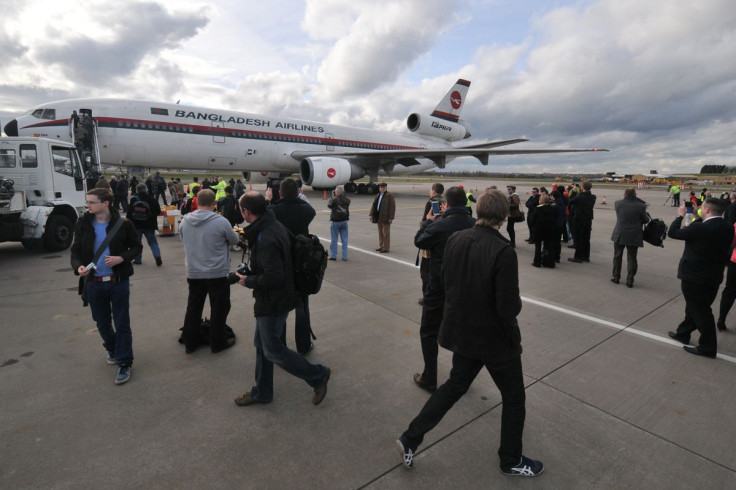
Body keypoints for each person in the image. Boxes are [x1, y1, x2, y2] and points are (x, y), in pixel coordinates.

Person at [396, 190, 543, 477]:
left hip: (464, 332)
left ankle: (410, 438)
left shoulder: (456, 239)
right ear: (503, 217)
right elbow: (508, 307)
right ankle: (511, 459)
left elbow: (447, 282)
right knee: (514, 398)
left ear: (478, 212)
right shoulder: (503, 251)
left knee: (453, 387)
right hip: (496, 340)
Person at [233, 191, 331, 407]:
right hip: (277, 297)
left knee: (273, 349)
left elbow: (274, 277)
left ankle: (318, 375)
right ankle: (263, 391)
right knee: (261, 344)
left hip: (274, 301)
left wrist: (247, 281)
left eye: (241, 209)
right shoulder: (271, 224)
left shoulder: (266, 236)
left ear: (246, 212)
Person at [70, 188, 142, 385]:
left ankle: (125, 362)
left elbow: (137, 247)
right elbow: (75, 251)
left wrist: (122, 258)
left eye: (92, 202)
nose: (88, 206)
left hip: (118, 282)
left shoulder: (123, 224)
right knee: (101, 322)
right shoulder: (82, 224)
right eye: (87, 202)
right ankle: (112, 348)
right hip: (94, 283)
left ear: (106, 203)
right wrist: (79, 268)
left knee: (122, 323)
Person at [412, 187, 475, 393]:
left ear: (446, 204)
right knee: (462, 334)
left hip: (439, 288)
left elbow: (419, 241)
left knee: (428, 331)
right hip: (464, 290)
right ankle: (461, 378)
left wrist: (429, 221)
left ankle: (430, 377)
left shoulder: (441, 226)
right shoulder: (474, 225)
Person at [667, 198, 733, 358]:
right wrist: (696, 215)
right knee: (695, 307)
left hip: (694, 276)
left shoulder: (700, 228)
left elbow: (673, 233)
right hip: (714, 276)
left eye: (702, 208)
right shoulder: (728, 227)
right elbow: (703, 228)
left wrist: (680, 215)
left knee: (701, 311)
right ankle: (683, 332)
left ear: (707, 210)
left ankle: (708, 347)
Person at [179, 189, 240, 354]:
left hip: (194, 272)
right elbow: (235, 240)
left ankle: (190, 343)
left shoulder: (185, 221)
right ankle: (217, 342)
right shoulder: (221, 221)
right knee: (219, 308)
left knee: (193, 307)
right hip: (217, 273)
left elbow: (183, 238)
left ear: (197, 202)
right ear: (215, 204)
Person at [268, 178, 317, 355]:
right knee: (302, 305)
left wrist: (271, 199)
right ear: (298, 192)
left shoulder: (273, 210)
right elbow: (312, 212)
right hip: (300, 262)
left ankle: (280, 345)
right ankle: (304, 345)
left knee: (280, 307)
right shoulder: (306, 210)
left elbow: (265, 215)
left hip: (280, 263)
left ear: (280, 193)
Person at [610, 188, 649, 287]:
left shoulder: (617, 203)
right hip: (634, 234)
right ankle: (630, 280)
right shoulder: (640, 206)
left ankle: (616, 277)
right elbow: (645, 220)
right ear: (635, 194)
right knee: (632, 258)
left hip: (620, 233)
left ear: (624, 194)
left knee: (617, 256)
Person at [418, 183, 444, 301]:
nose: (429, 192)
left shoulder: (432, 202)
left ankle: (427, 296)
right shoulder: (445, 201)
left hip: (431, 241)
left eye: (430, 190)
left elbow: (427, 221)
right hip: (442, 241)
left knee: (426, 272)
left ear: (433, 191)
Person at [127, 184, 162, 266]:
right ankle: (157, 256)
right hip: (149, 225)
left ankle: (138, 259)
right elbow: (158, 211)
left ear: (137, 190)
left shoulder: (134, 199)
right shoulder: (152, 199)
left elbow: (129, 213)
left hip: (136, 225)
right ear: (146, 190)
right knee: (153, 242)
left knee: (137, 243)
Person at [567, 181, 596, 263]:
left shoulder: (580, 196)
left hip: (579, 219)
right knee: (586, 239)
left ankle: (578, 256)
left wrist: (573, 192)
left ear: (582, 187)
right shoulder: (593, 197)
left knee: (578, 238)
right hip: (588, 219)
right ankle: (586, 256)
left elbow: (570, 200)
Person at [530, 194, 557, 268]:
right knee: (549, 246)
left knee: (538, 246)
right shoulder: (552, 208)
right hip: (549, 229)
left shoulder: (538, 208)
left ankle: (537, 262)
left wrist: (534, 227)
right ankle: (551, 263)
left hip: (539, 229)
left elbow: (533, 219)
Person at [369, 183, 396, 253]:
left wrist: (391, 218)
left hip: (385, 217)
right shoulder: (378, 195)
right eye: (381, 187)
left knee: (386, 233)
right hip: (378, 217)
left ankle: (386, 248)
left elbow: (392, 207)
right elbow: (373, 205)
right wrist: (371, 214)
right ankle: (381, 246)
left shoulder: (389, 196)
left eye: (383, 187)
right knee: (380, 233)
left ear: (386, 188)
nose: (382, 188)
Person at [328, 186, 351, 261]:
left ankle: (333, 256)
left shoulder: (335, 199)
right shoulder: (347, 199)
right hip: (344, 221)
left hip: (336, 221)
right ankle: (345, 256)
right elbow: (348, 201)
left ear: (337, 192)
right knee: (345, 240)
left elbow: (329, 205)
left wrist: (333, 197)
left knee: (334, 239)